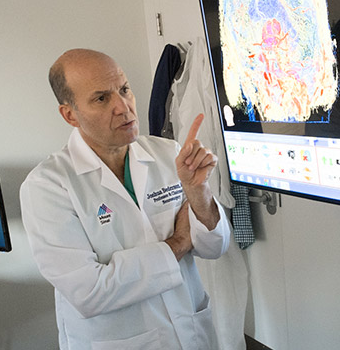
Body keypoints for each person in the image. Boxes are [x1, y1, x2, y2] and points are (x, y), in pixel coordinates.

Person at [20, 49, 231, 349]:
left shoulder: (168, 155)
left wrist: (199, 194)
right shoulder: (48, 187)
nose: (123, 107)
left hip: (191, 332)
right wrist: (178, 243)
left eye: (124, 89)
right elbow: (90, 292)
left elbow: (215, 247)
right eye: (102, 98)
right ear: (70, 114)